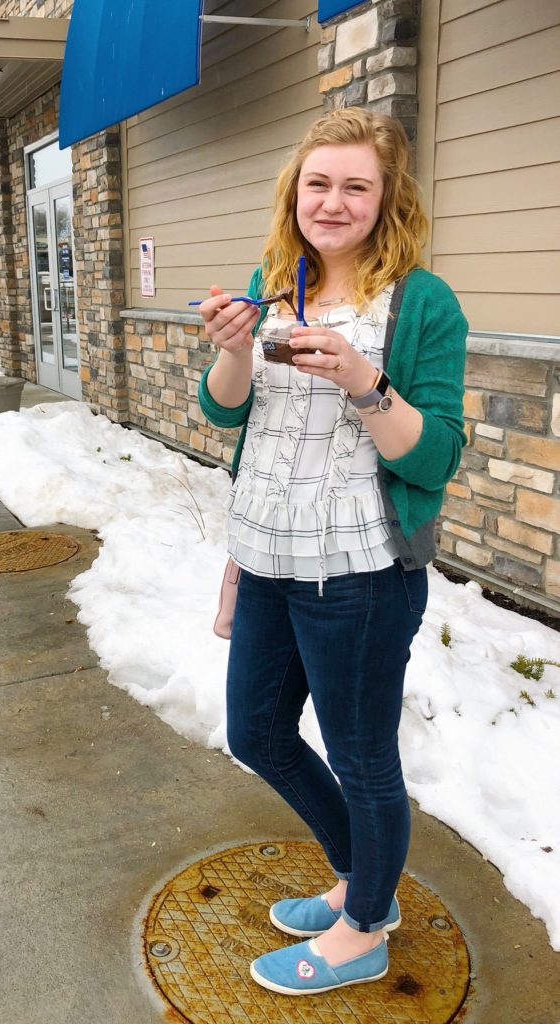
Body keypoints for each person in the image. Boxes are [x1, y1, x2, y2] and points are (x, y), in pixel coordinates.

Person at [196, 108, 467, 997]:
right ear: (295, 192)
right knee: (260, 732)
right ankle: (366, 879)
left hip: (360, 572)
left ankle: (364, 928)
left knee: (363, 759)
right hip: (267, 556)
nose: (334, 200)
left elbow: (432, 454)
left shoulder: (422, 301)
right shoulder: (274, 280)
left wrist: (363, 378)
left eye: (356, 185)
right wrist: (231, 350)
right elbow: (228, 409)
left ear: (387, 199)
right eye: (319, 182)